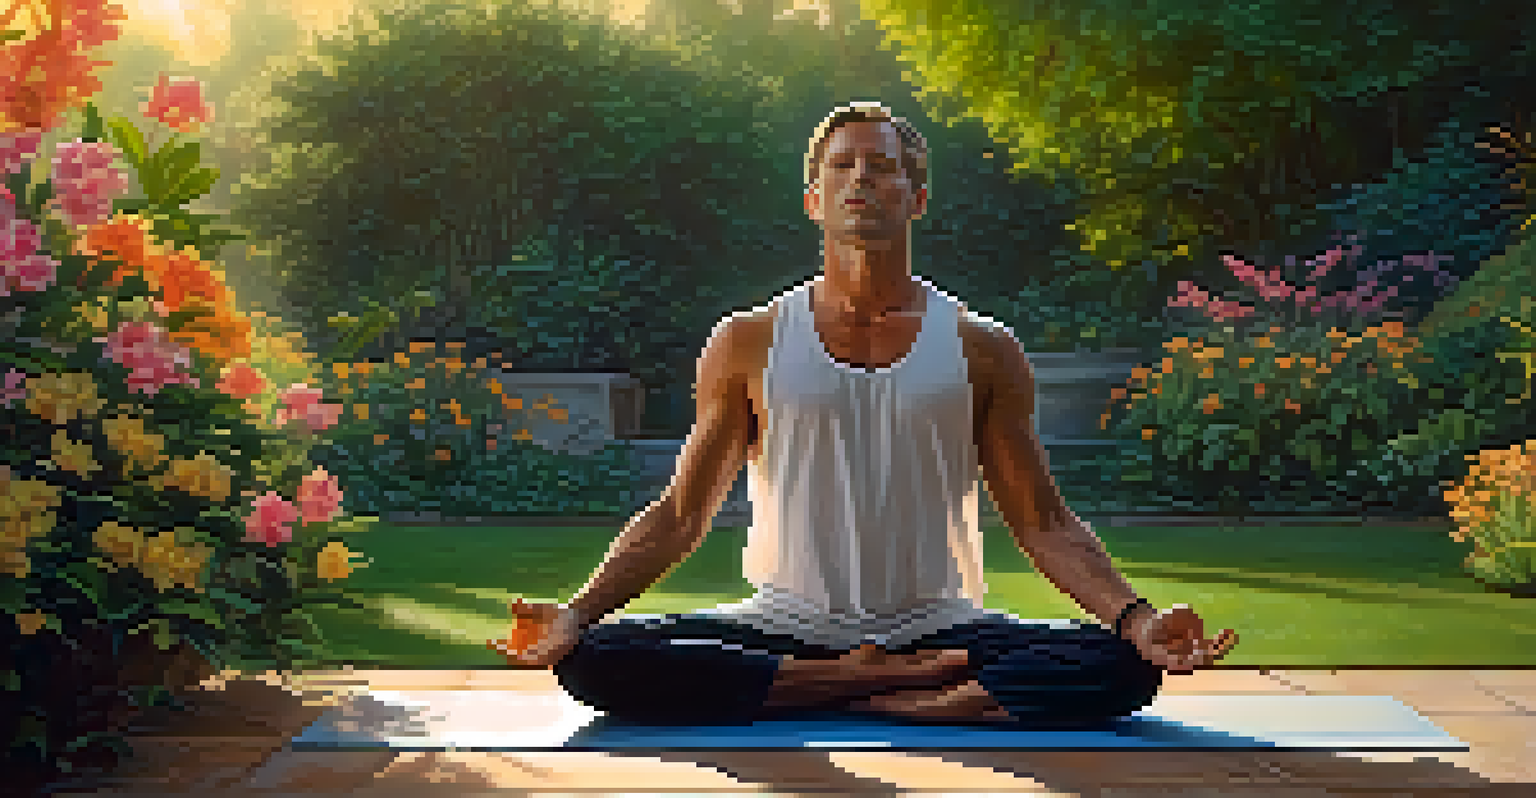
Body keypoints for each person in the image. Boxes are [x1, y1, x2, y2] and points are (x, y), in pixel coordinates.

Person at [490, 102, 1239, 727]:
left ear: (916, 198)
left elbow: (1044, 522)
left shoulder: (982, 348)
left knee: (1121, 667)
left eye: (882, 166)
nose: (860, 178)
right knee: (594, 659)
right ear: (814, 199)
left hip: (939, 626)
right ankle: (896, 688)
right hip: (784, 623)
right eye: (842, 165)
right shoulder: (748, 341)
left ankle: (847, 687)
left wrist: (1138, 620)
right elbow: (683, 514)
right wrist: (577, 613)